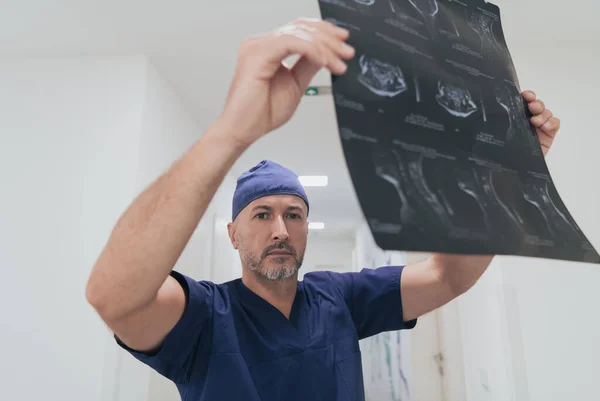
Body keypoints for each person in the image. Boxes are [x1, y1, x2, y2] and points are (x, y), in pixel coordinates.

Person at [86, 18, 561, 401]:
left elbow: (447, 277)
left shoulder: (338, 298)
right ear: (232, 233)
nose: (280, 229)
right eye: (261, 214)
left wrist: (505, 178)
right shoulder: (206, 317)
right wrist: (232, 129)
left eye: (294, 214)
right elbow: (114, 298)